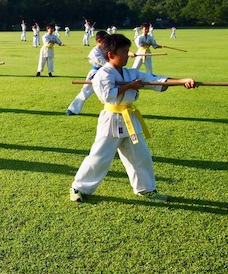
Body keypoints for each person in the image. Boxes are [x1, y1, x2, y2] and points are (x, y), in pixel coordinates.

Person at [69, 34, 196, 203]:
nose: (128, 55)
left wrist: (182, 81)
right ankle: (78, 187)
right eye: (124, 52)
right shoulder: (102, 74)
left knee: (141, 156)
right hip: (111, 120)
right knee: (99, 157)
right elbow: (108, 96)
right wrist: (130, 86)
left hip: (130, 120)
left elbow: (154, 80)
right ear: (111, 55)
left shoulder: (131, 73)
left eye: (128, 50)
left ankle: (146, 189)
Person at [66, 31, 108, 115]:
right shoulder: (94, 52)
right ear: (99, 41)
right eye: (106, 41)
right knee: (86, 91)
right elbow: (105, 63)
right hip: (95, 73)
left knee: (109, 92)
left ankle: (114, 110)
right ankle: (72, 109)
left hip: (107, 73)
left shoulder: (106, 49)